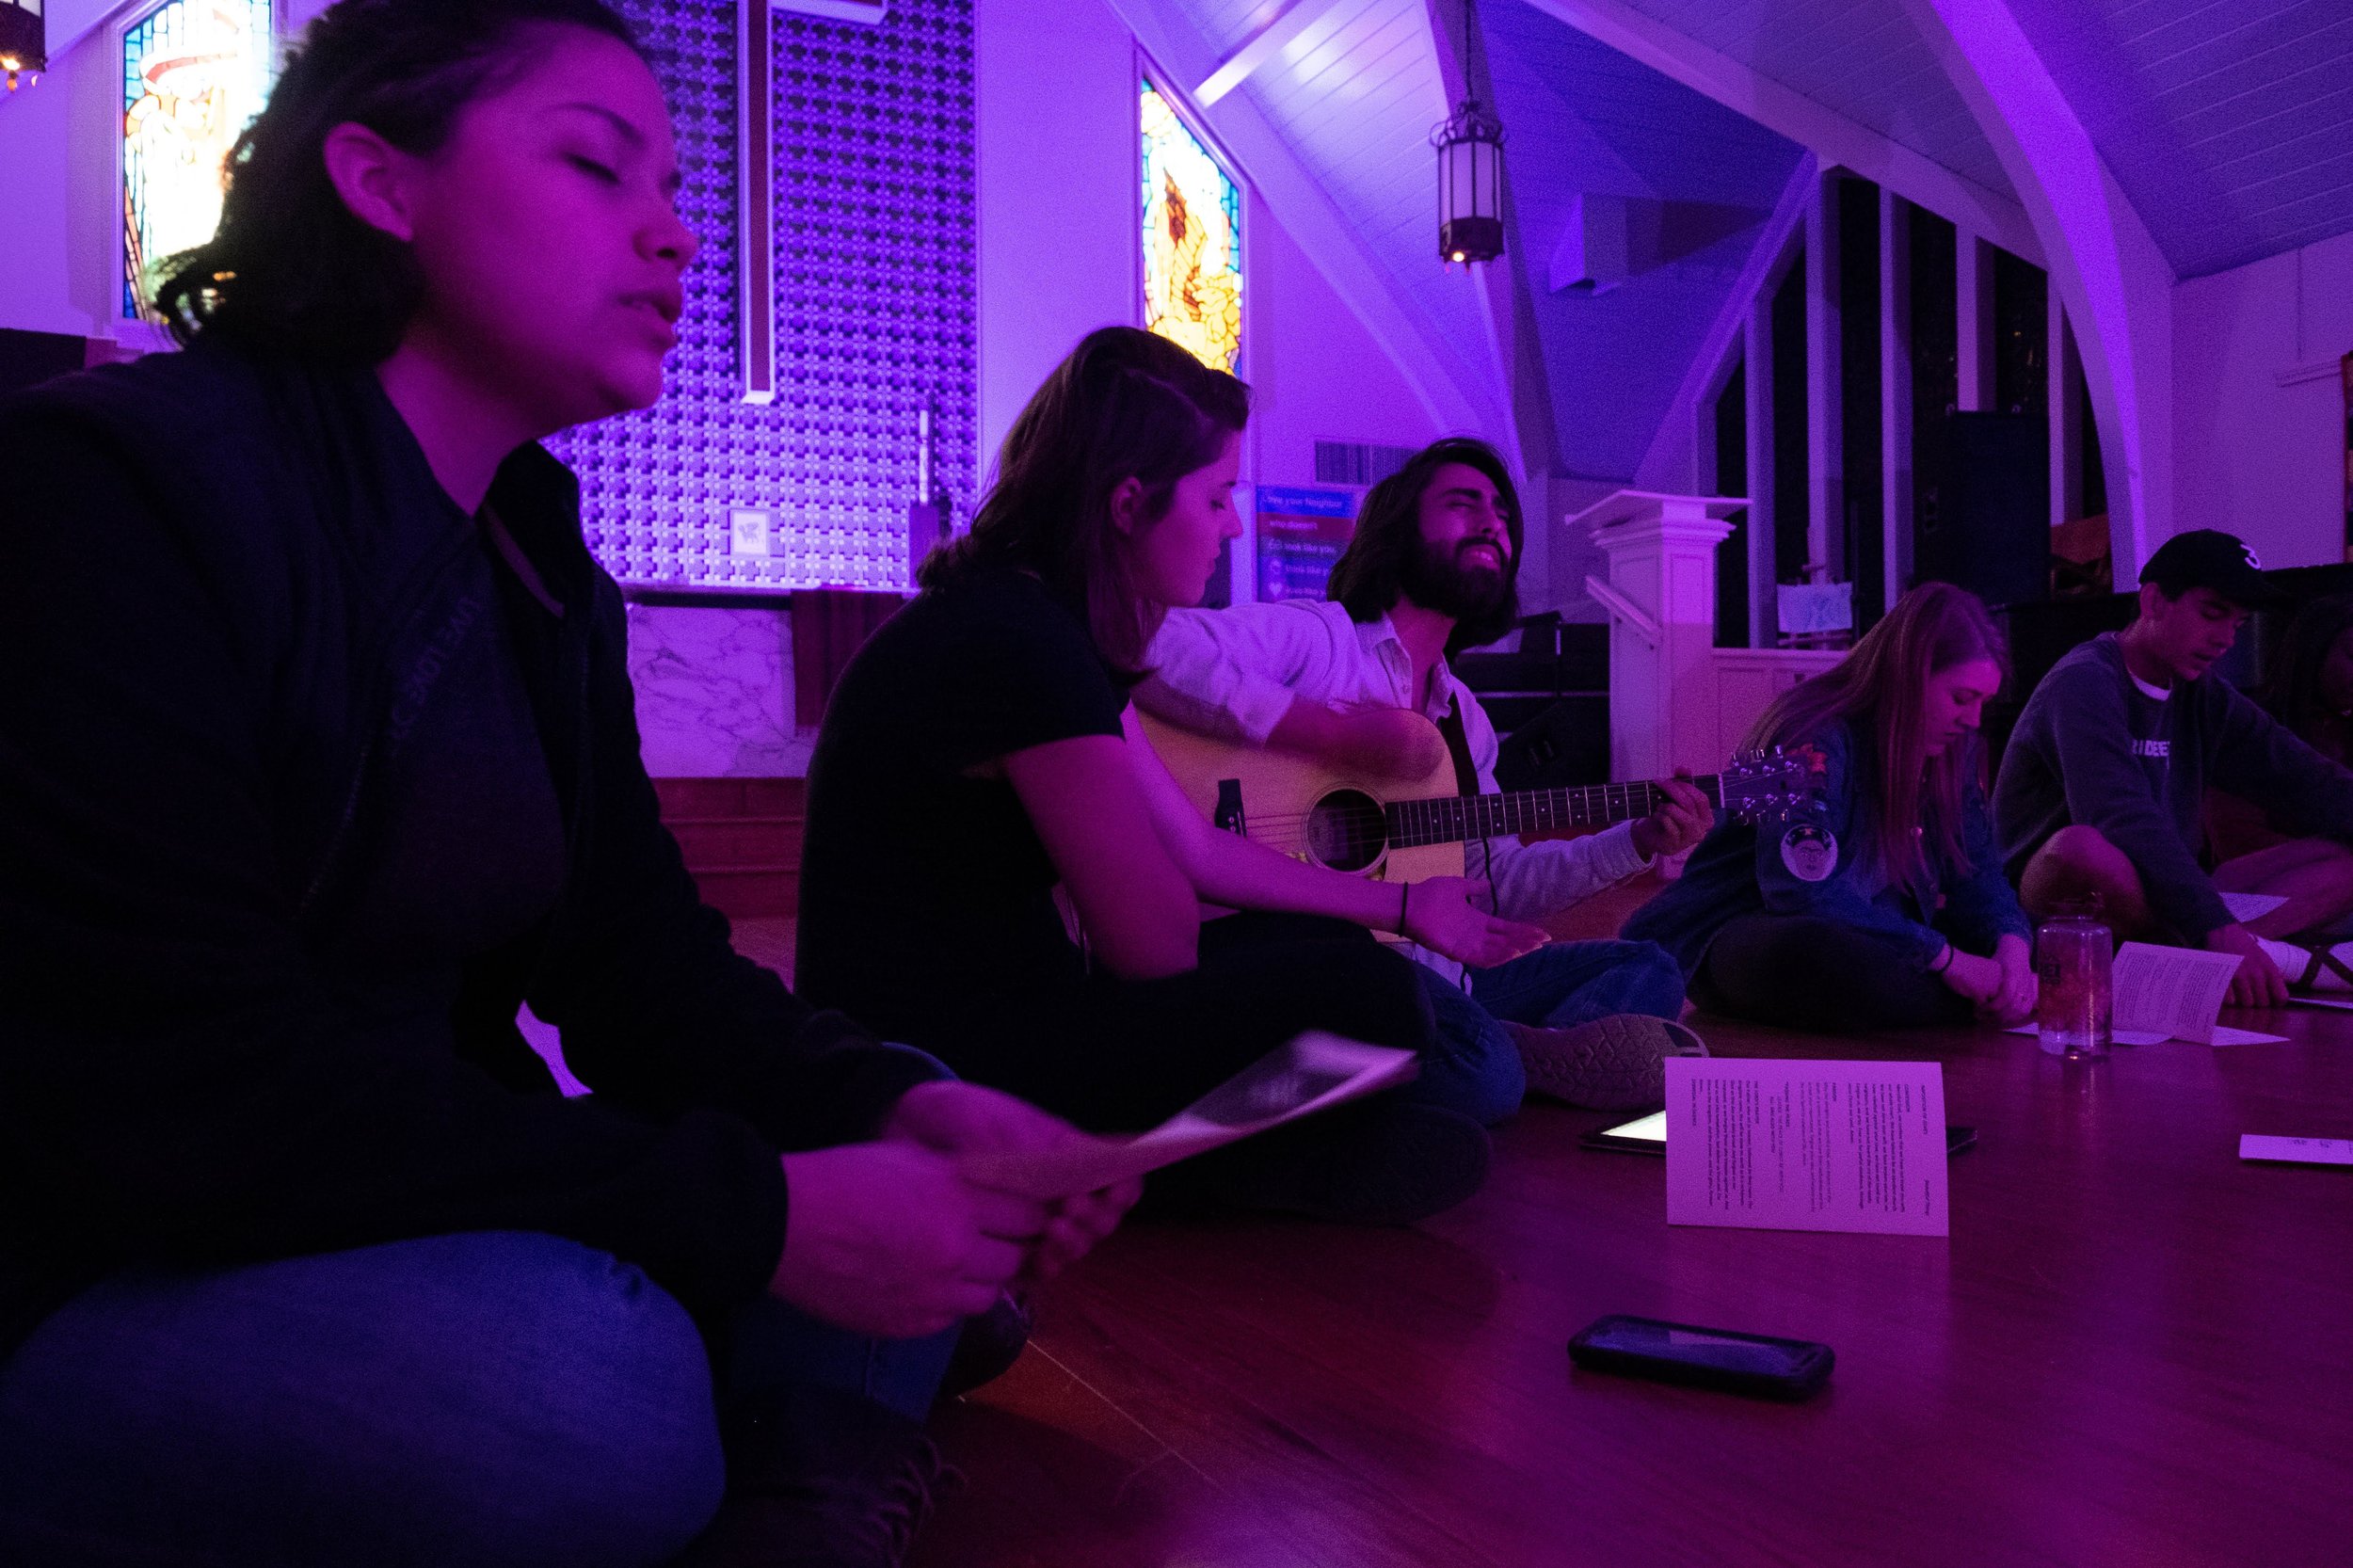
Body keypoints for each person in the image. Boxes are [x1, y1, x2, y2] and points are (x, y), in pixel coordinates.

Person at [0, 5, 1134, 1565]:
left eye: (672, 188)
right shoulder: (121, 490)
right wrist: (767, 1219)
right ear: (379, 181)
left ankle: (798, 1467)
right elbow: (195, 1100)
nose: (674, 238)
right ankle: (784, 1400)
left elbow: (644, 972)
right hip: (114, 1251)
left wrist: (900, 1105)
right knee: (580, 1384)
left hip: (398, 1196)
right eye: (602, 169)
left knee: (900, 1114)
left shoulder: (532, 548)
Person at [795, 329, 1551, 1225]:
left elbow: (1194, 847)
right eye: (1217, 495)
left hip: (1008, 1014)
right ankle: (1142, 1173)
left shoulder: (1040, 624)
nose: (1231, 523)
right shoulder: (1021, 646)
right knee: (1377, 1000)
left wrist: (1401, 909)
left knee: (1355, 973)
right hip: (942, 1073)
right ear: (1127, 503)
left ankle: (1242, 1156)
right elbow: (1156, 947)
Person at [1135, 438, 1711, 1124]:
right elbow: (1152, 646)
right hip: (1307, 959)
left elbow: (1500, 883)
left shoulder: (1464, 723)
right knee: (1483, 1078)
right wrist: (1331, 731)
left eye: (1502, 513)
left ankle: (1496, 1053)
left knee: (1649, 968)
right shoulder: (1322, 642)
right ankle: (1494, 1060)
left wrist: (1638, 839)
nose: (1493, 522)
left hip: (1441, 973)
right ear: (1397, 527)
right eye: (1465, 504)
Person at [1624, 583, 2037, 1033]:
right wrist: (1948, 959)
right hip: (1745, 929)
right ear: (1909, 675)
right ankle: (1983, 1001)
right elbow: (1802, 893)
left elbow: (1976, 869)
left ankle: (1983, 994)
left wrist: (2011, 948)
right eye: (1961, 698)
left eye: (1983, 703)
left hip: (1870, 927)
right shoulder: (1813, 734)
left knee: (2038, 934)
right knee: (1838, 958)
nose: (1973, 720)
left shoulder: (1949, 750)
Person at [1995, 531, 2353, 1008]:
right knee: (2082, 848)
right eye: (2212, 614)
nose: (2226, 639)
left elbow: (2307, 780)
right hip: (2066, 901)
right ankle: (2214, 952)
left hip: (2161, 904)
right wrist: (2212, 925)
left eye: (2238, 623)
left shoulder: (2203, 694)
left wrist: (2215, 923)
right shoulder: (2084, 681)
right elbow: (2118, 816)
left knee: (2342, 855)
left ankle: (2214, 957)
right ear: (2154, 601)